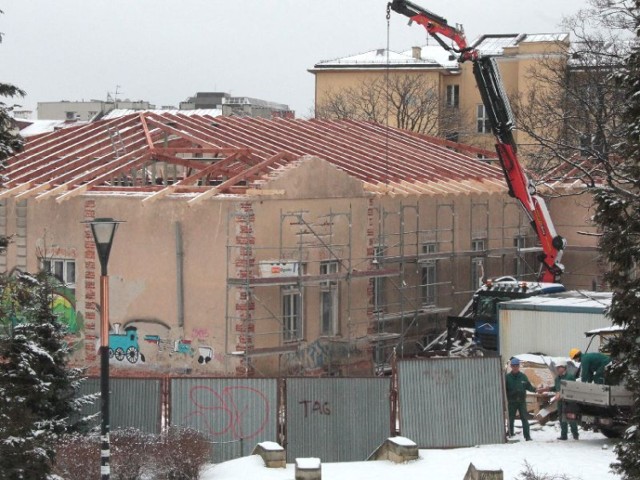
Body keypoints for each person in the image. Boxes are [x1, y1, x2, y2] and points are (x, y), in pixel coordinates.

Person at [538, 360, 579, 440]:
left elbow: (572, 388)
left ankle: (575, 434)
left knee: (571, 418)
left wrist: (562, 393)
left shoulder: (570, 377)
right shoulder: (557, 379)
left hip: (569, 401)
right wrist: (547, 389)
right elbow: (556, 388)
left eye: (560, 367)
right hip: (560, 401)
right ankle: (564, 435)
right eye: (557, 368)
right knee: (561, 418)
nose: (558, 369)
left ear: (564, 368)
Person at [505, 357, 536, 441]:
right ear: (511, 366)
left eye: (516, 366)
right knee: (510, 418)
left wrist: (536, 390)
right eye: (513, 366)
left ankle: (527, 436)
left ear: (519, 366)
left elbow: (528, 386)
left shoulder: (523, 377)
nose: (515, 367)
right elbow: (504, 389)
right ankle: (510, 433)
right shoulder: (507, 377)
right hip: (511, 401)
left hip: (521, 401)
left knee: (524, 418)